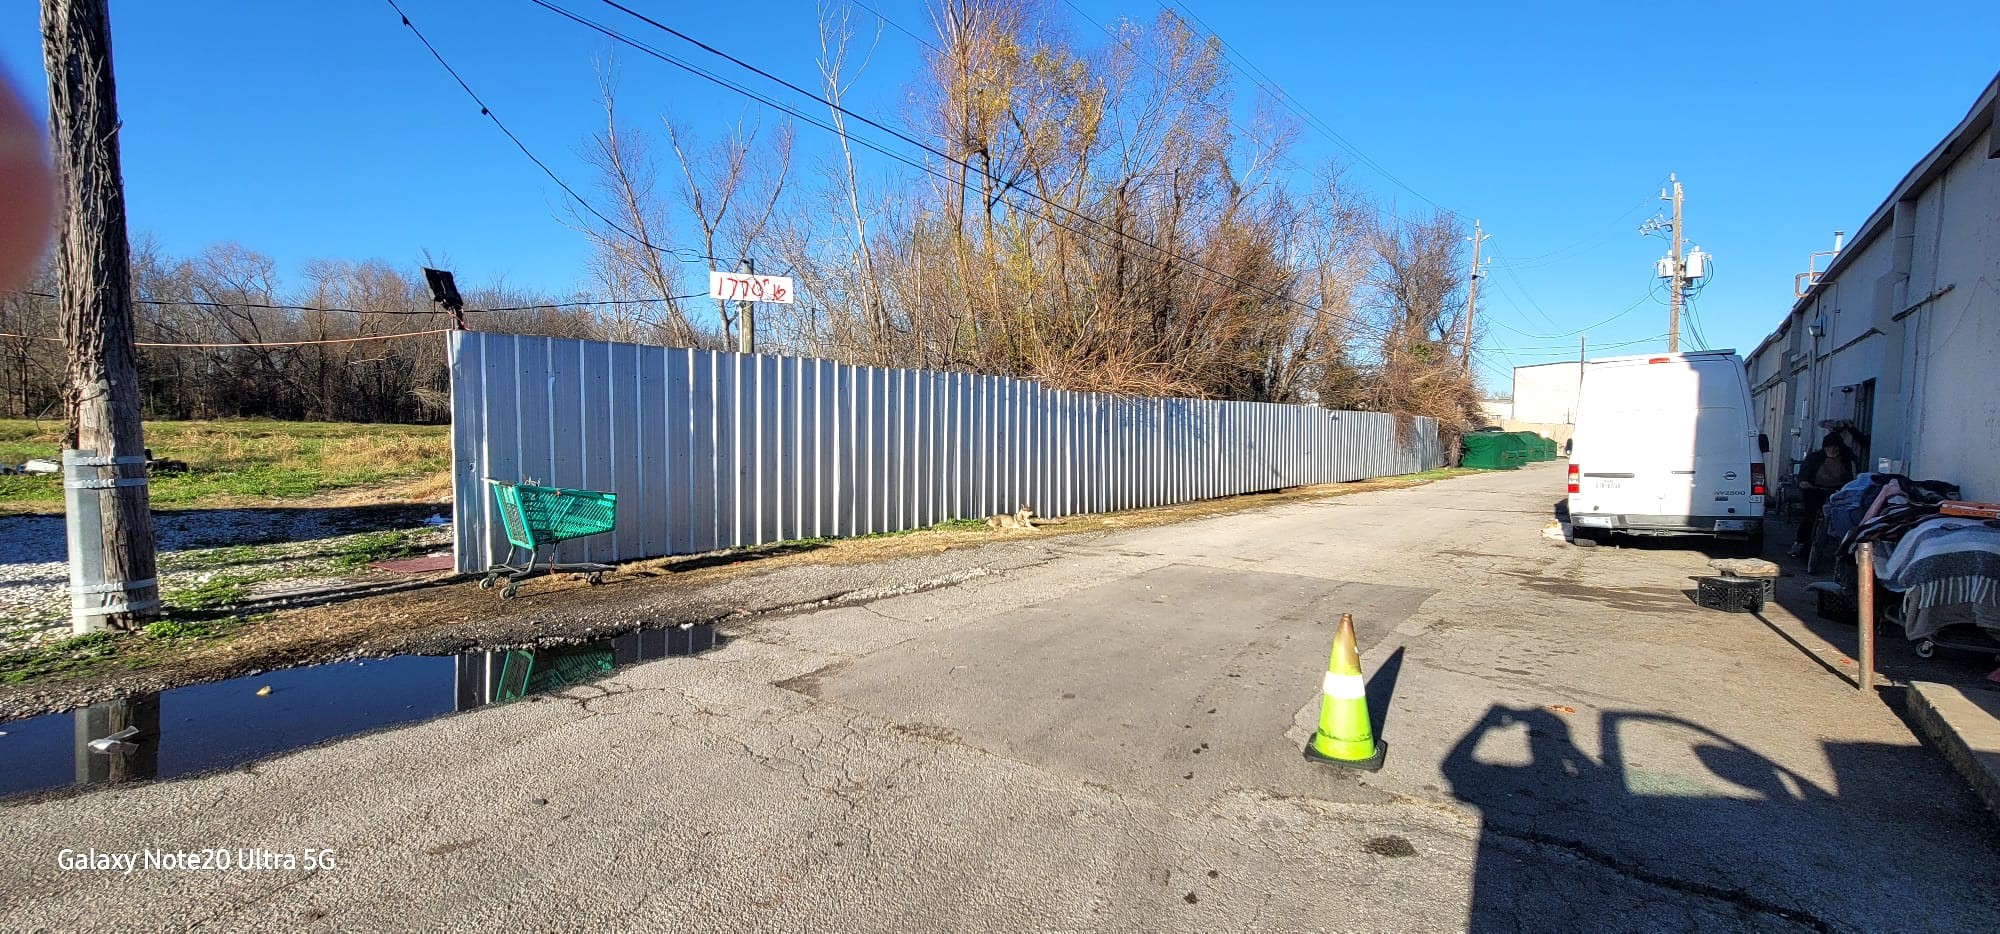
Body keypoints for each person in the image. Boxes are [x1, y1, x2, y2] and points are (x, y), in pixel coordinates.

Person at [1790, 434, 1856, 558]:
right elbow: (1804, 474)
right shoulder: (1814, 458)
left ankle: (1845, 547)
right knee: (1809, 517)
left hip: (1837, 493)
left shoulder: (1846, 460)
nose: (1832, 450)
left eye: (1835, 447)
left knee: (1844, 516)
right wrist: (1803, 482)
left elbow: (1852, 477)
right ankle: (1800, 544)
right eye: (1829, 447)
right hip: (1814, 490)